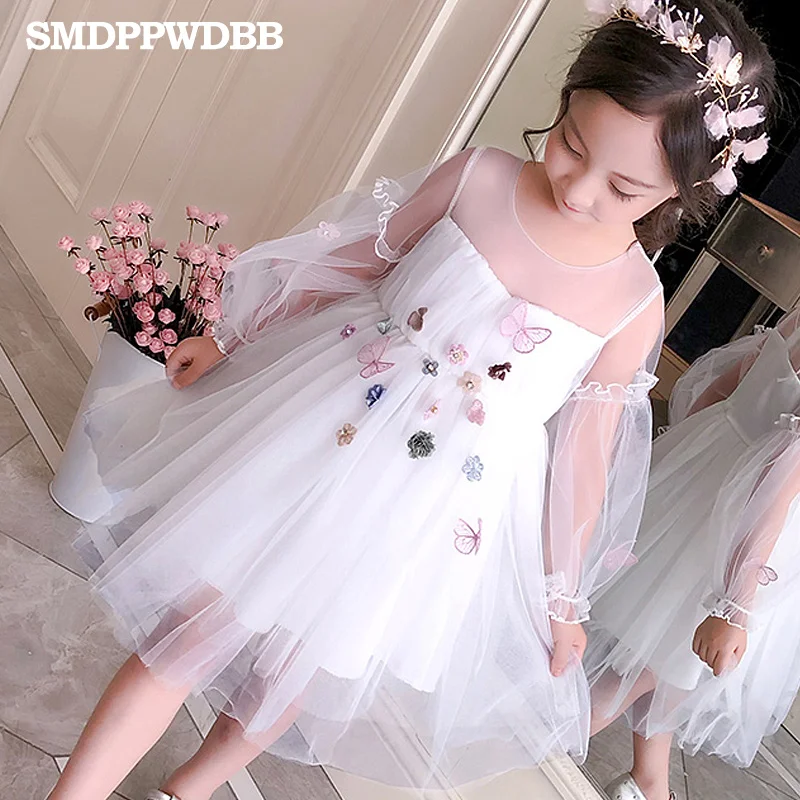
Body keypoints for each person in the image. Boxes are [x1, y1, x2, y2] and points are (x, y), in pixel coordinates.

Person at [48, 0, 768, 796]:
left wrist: (563, 599)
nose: (578, 188)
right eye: (571, 144)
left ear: (680, 192)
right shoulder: (480, 177)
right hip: (317, 427)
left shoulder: (631, 303)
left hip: (427, 512)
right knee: (188, 632)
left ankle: (185, 790)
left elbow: (584, 461)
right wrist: (232, 334)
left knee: (296, 667)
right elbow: (353, 261)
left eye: (624, 188)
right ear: (567, 99)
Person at [585, 7, 779, 796]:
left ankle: (643, 779)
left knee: (659, 655)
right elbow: (786, 459)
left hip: (722, 480)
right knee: (650, 660)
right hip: (746, 512)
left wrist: (688, 438)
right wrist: (739, 600)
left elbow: (747, 375)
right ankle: (529, 746)